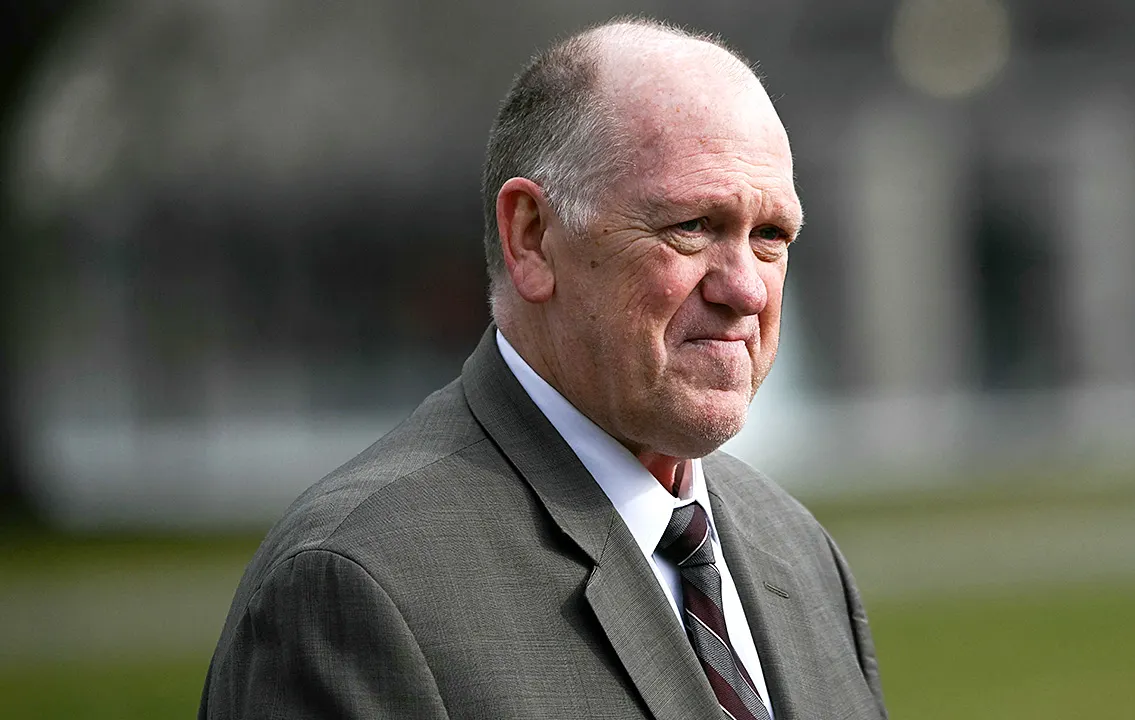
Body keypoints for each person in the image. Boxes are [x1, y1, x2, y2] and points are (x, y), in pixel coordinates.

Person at [200, 18, 887, 720]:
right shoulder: (356, 586)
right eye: (691, 226)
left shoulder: (799, 552)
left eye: (770, 235)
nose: (745, 290)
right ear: (531, 238)